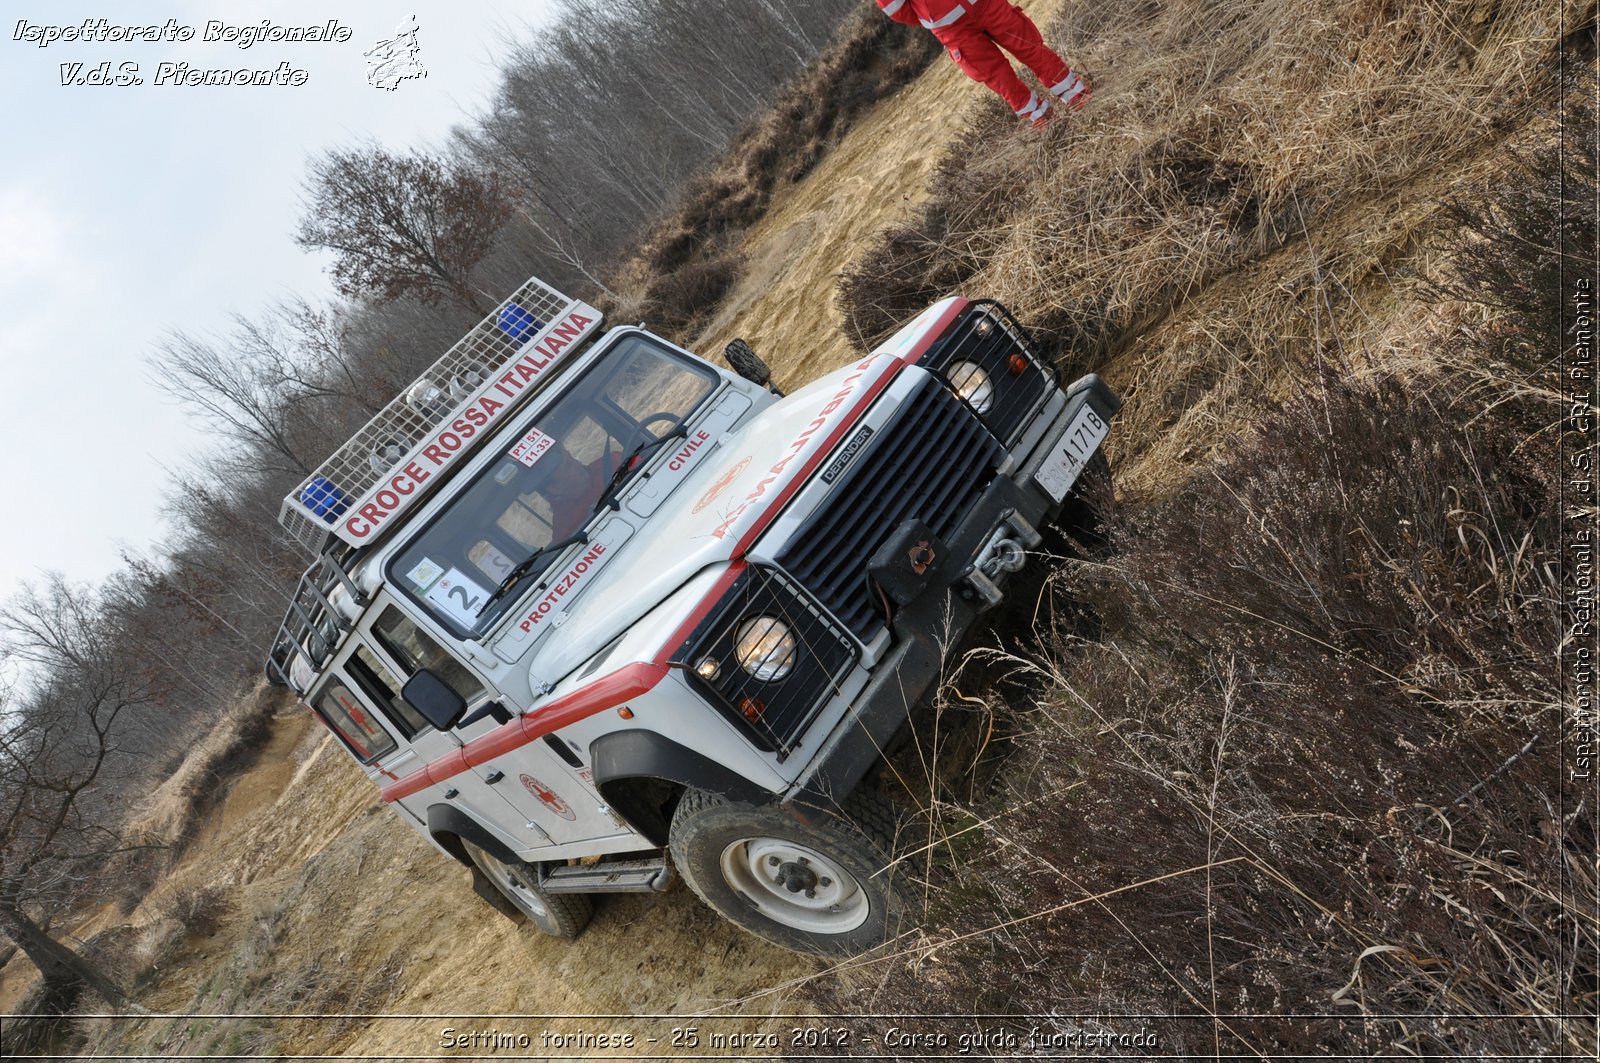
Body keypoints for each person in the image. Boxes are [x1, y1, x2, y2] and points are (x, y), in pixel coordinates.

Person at [877, 0, 1089, 127]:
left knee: (1028, 44)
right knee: (996, 74)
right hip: (952, 28)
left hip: (986, 4)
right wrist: (934, 16)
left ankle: (1075, 93)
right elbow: (899, 10)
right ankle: (1041, 119)